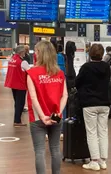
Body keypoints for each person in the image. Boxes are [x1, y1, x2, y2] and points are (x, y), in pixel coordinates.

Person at [27, 40, 67, 174]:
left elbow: (33, 98)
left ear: (39, 53)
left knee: (39, 151)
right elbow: (65, 95)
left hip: (38, 118)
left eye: (36, 51)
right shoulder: (59, 73)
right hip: (56, 117)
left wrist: (42, 116)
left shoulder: (32, 73)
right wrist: (57, 113)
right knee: (55, 149)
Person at [76, 44, 110, 171]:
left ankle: (94, 161)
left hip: (89, 103)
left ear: (90, 53)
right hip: (104, 103)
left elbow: (77, 82)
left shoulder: (86, 67)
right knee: (103, 131)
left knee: (91, 132)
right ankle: (103, 160)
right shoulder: (106, 67)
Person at [5, 45, 30, 127]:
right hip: (20, 85)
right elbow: (30, 71)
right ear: (21, 52)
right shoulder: (23, 62)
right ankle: (17, 121)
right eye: (24, 52)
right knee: (20, 103)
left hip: (13, 84)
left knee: (17, 102)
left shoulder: (12, 60)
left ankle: (17, 119)